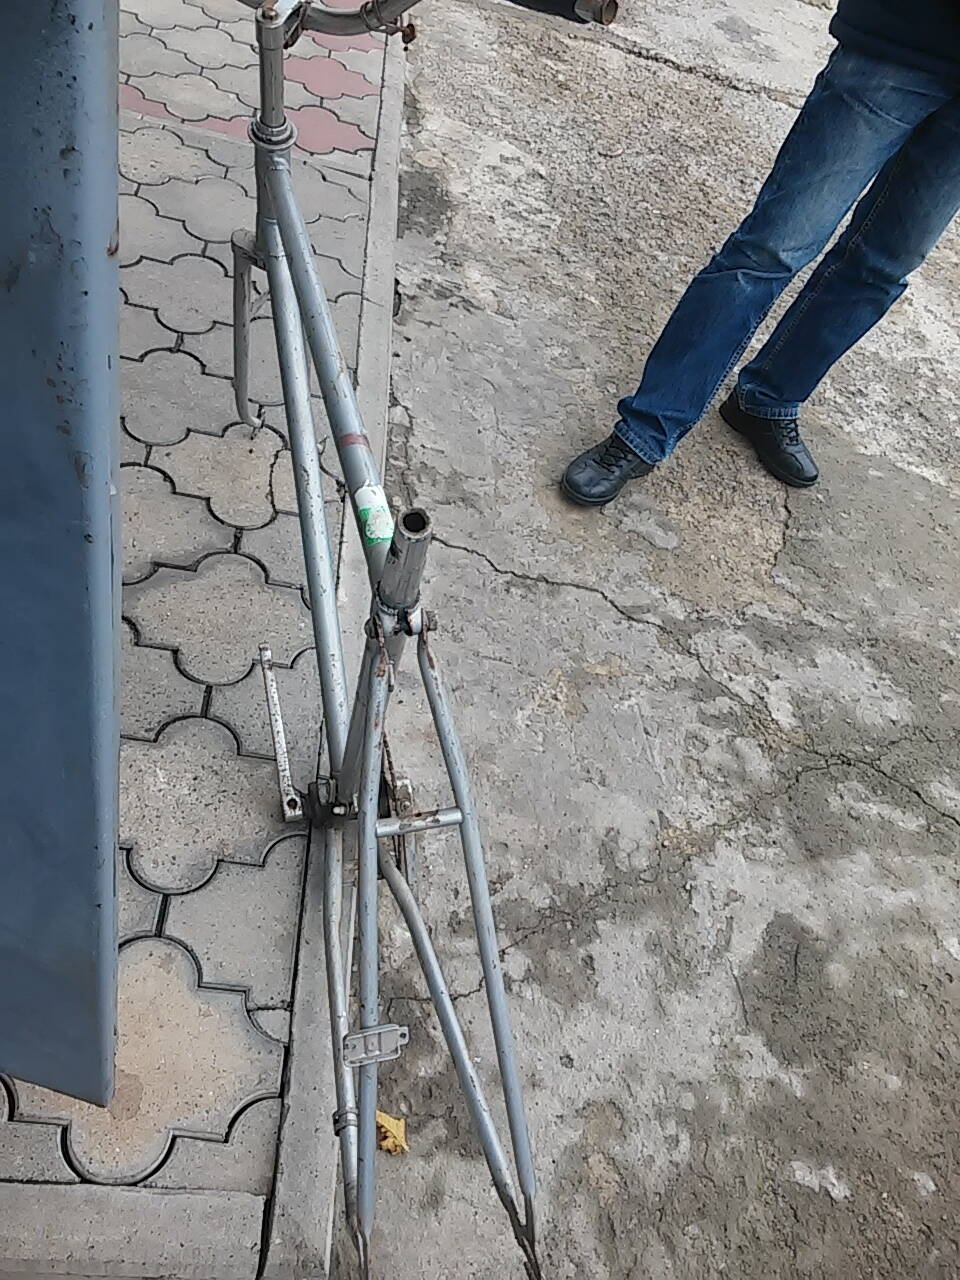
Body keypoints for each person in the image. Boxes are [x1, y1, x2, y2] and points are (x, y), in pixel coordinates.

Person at [561, 0, 960, 506]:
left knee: (882, 267)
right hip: (903, 43)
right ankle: (646, 429)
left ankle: (768, 401)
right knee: (770, 250)